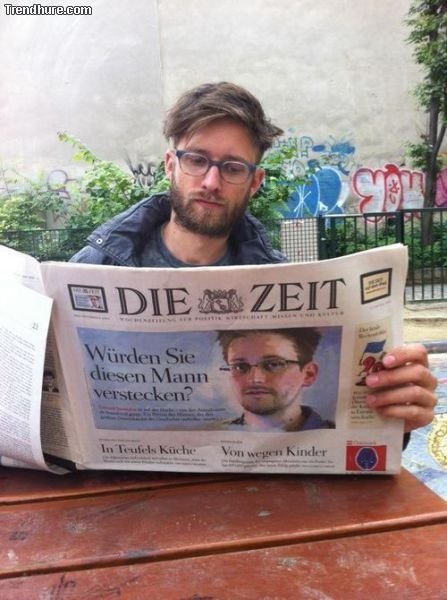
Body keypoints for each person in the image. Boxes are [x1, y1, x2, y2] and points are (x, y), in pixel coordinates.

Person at [71, 81, 438, 436]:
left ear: (255, 181)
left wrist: (395, 412)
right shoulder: (94, 267)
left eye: (232, 167)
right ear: (170, 165)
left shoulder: (286, 285)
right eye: (196, 160)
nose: (211, 182)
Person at [218, 328, 334, 431]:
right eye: (239, 366)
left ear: (308, 374)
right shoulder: (214, 435)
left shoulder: (335, 437)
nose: (255, 379)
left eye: (273, 364)